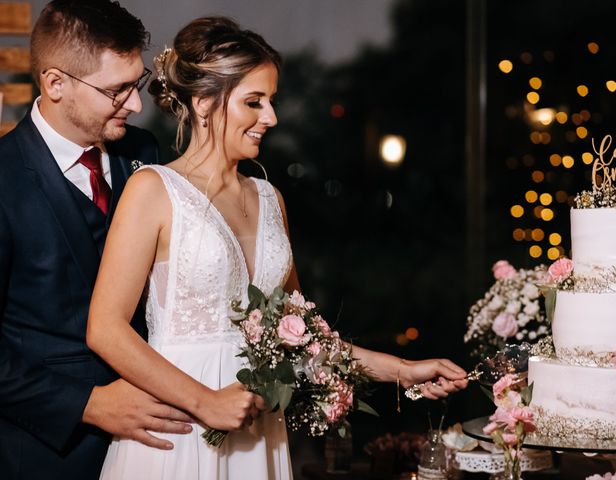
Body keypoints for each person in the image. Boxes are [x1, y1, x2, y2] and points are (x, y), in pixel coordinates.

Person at [86, 16, 468, 480]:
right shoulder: (153, 188)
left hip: (257, 430)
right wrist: (204, 402)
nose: (271, 117)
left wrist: (402, 369)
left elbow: (302, 336)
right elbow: (105, 329)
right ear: (204, 102)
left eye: (271, 101)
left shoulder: (269, 199)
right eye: (254, 102)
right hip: (178, 428)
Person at [0, 2, 193, 479]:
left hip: (155, 448)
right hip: (45, 455)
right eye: (116, 90)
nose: (135, 104)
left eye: (137, 82)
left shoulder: (142, 152)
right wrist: (87, 404)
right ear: (55, 84)